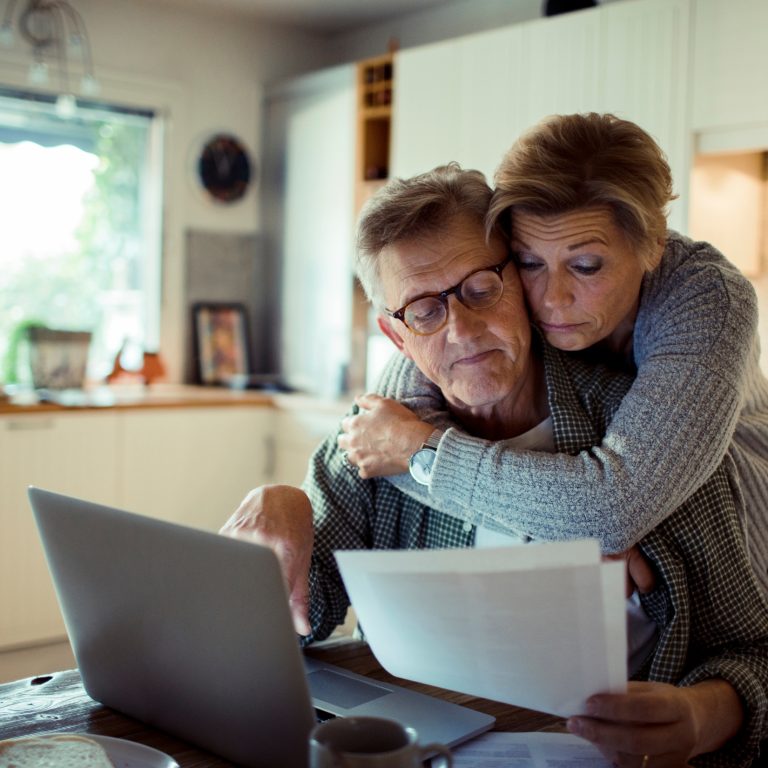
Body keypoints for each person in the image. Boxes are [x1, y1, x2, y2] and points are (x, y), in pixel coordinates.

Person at [222, 164, 768, 767]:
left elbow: (754, 654)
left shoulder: (654, 445)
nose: (463, 329)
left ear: (524, 282)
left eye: (481, 287)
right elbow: (303, 613)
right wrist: (282, 504)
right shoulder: (371, 443)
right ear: (396, 336)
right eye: (425, 311)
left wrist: (700, 716)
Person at [339, 112, 768, 596]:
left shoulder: (706, 299)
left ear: (652, 246)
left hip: (748, 528)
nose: (551, 299)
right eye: (529, 262)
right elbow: (429, 351)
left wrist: (417, 453)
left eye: (585, 266)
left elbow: (610, 510)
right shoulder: (500, 301)